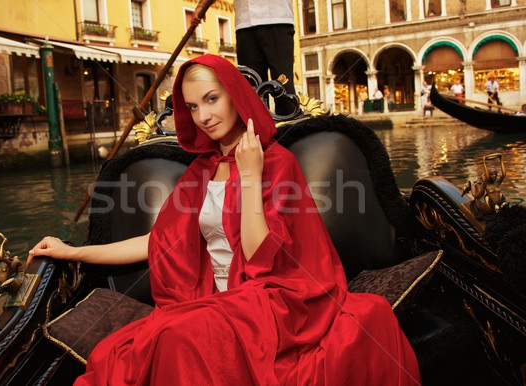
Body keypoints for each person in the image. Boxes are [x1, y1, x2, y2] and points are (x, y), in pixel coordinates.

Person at [28, 54, 420, 385]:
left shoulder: (276, 162)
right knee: (132, 348)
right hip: (213, 301)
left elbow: (259, 255)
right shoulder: (201, 170)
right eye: (193, 106)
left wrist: (249, 176)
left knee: (172, 336)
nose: (203, 116)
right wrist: (74, 251)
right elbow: (157, 242)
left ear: (235, 96)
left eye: (211, 99)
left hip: (273, 298)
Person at [194, 0, 296, 115]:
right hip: (245, 22)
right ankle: (259, 131)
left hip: (277, 17)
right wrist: (202, 5)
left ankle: (291, 128)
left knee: (283, 85)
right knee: (252, 89)